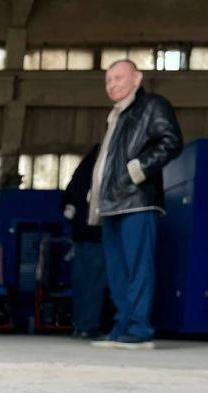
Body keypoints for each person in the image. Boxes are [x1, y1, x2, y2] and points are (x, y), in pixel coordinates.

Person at [88, 60, 182, 350]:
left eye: (118, 77)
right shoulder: (117, 114)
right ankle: (122, 328)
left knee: (138, 269)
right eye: (107, 80)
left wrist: (137, 170)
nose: (112, 84)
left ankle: (139, 330)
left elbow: (171, 141)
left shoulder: (151, 105)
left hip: (137, 201)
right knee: (117, 271)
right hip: (112, 202)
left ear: (137, 78)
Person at [62, 144, 106, 339]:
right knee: (94, 283)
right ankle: (88, 326)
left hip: (81, 234)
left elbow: (69, 197)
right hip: (95, 233)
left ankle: (80, 325)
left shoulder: (86, 165)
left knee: (82, 283)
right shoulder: (102, 161)